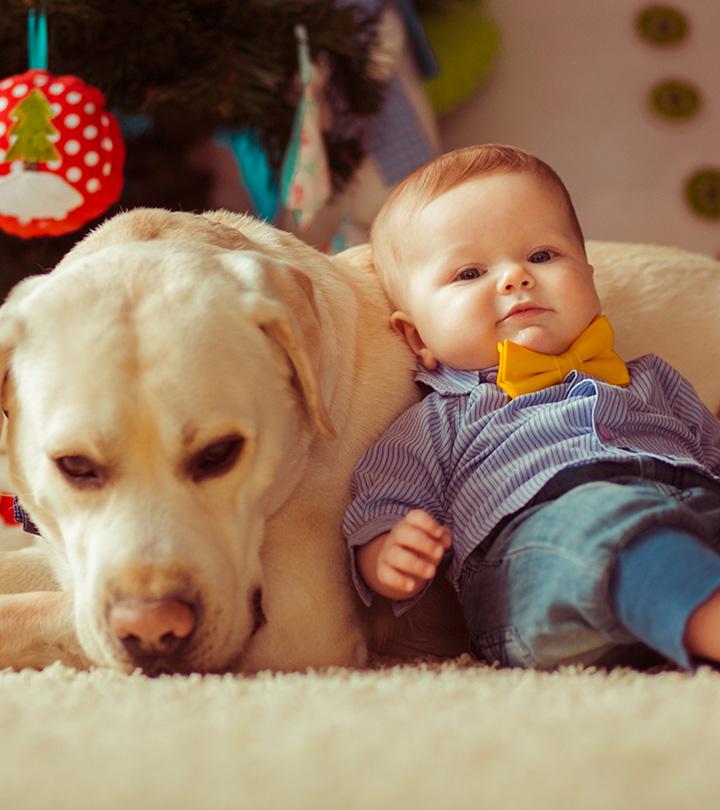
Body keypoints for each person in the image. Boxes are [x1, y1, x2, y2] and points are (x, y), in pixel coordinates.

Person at [343, 143, 720, 670]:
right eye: (469, 273)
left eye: (542, 256)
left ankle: (688, 608)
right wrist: (388, 552)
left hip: (693, 510)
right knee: (609, 522)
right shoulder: (440, 419)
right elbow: (381, 502)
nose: (515, 278)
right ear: (416, 335)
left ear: (589, 279)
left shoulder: (653, 377)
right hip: (537, 555)